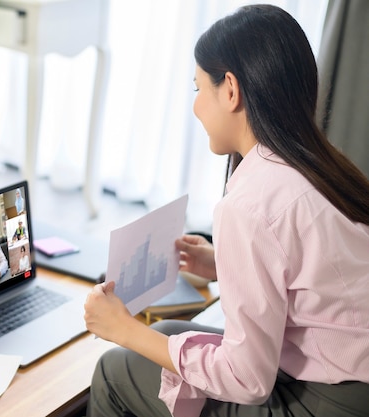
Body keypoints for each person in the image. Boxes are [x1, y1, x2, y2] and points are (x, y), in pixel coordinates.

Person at [83, 5, 369, 417]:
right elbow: (324, 277)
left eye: (198, 88)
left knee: (115, 369)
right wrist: (224, 263)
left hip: (330, 401)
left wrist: (124, 330)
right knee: (165, 334)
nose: (197, 106)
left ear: (230, 90)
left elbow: (248, 380)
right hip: (354, 380)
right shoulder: (321, 165)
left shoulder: (250, 201)